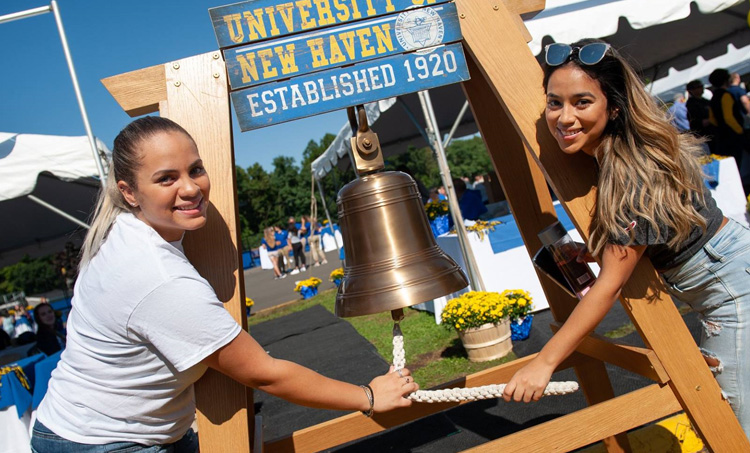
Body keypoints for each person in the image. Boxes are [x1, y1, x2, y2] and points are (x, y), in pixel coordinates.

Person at [31, 116, 418, 452]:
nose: (191, 188)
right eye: (166, 178)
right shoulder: (158, 277)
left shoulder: (129, 234)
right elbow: (263, 372)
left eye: (195, 169)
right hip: (99, 440)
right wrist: (367, 396)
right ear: (129, 192)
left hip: (100, 429)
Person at [504, 40, 750, 438]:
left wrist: (544, 362)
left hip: (733, 288)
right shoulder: (615, 154)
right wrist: (598, 247)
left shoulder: (631, 171)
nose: (564, 117)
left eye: (582, 102)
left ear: (613, 107)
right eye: (554, 103)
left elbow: (609, 287)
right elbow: (654, 232)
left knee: (732, 428)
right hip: (724, 275)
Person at [708, 68, 746, 172]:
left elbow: (712, 119)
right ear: (726, 80)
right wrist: (740, 131)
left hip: (721, 137)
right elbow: (728, 117)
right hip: (733, 136)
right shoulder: (726, 95)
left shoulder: (713, 97)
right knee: (737, 163)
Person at [685, 79, 716, 153]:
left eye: (701, 86)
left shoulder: (705, 101)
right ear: (691, 90)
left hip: (713, 133)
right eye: (698, 87)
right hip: (704, 135)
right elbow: (696, 121)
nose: (701, 88)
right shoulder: (691, 104)